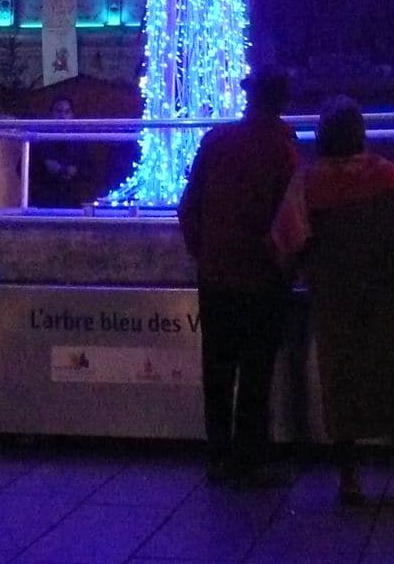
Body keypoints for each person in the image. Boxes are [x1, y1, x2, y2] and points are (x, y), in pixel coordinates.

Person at [272, 96, 394, 508]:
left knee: (341, 387)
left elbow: (286, 239)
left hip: (335, 302)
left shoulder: (307, 181)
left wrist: (297, 275)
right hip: (387, 299)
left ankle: (350, 479)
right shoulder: (385, 175)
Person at [177, 65, 299, 484]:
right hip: (262, 278)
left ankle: (218, 455)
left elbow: (188, 207)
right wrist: (286, 267)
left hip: (215, 275)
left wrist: (204, 253)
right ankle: (250, 458)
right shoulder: (284, 148)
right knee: (256, 370)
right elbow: (290, 219)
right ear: (281, 100)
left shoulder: (216, 140)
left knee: (218, 366)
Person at [33, 94, 87, 207]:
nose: (62, 116)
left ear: (72, 115)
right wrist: (43, 165)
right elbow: (22, 168)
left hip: (72, 199)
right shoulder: (39, 139)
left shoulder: (80, 140)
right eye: (58, 111)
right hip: (44, 198)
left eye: (67, 112)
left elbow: (90, 170)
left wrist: (76, 170)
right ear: (51, 114)